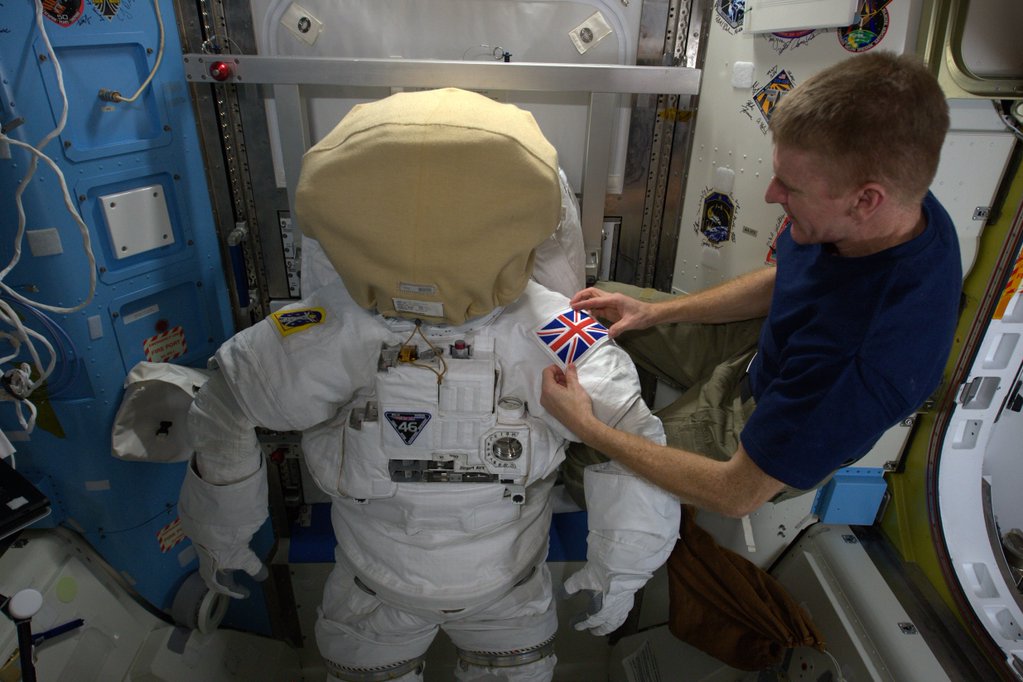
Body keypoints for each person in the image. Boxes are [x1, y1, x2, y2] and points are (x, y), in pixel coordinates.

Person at [176, 87, 679, 682]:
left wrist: (620, 570)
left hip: (495, 589)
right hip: (380, 588)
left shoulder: (542, 324)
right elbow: (229, 400)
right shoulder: (543, 326)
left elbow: (228, 402)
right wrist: (619, 571)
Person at [541, 51, 962, 517]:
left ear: (867, 200)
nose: (770, 196)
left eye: (790, 188)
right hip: (765, 348)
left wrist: (587, 425)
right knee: (599, 308)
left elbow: (735, 494)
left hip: (759, 425)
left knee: (583, 466)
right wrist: (657, 313)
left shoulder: (860, 361)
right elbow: (790, 280)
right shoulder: (889, 207)